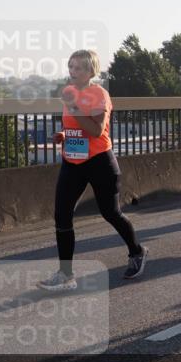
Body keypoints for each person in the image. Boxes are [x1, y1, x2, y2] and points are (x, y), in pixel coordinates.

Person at [38, 50, 148, 291]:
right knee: (62, 214)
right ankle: (66, 274)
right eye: (71, 67)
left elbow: (97, 131)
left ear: (90, 71)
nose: (72, 71)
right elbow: (77, 128)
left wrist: (74, 107)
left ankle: (137, 251)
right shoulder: (71, 95)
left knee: (111, 213)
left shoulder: (99, 94)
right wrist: (64, 135)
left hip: (99, 161)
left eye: (78, 68)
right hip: (73, 161)